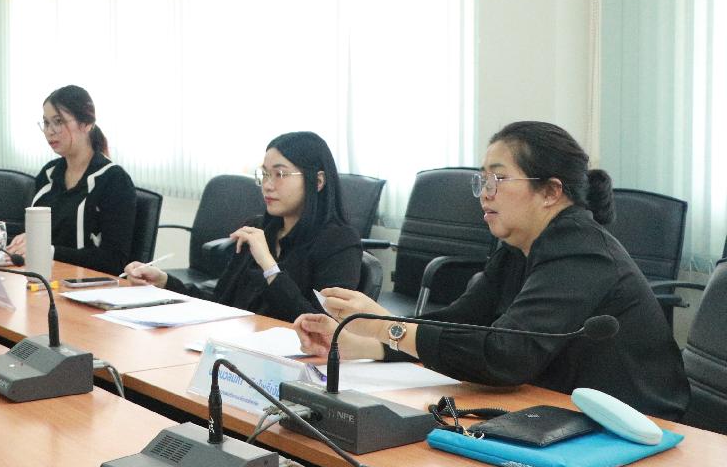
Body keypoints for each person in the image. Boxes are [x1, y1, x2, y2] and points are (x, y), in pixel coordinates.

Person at [295, 121, 690, 420]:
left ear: (551, 192)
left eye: (498, 179)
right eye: (482, 179)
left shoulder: (582, 253)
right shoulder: (518, 246)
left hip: (632, 427)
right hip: (554, 409)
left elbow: (506, 356)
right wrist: (362, 343)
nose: (485, 193)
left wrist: (388, 328)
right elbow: (461, 321)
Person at [122, 132, 361, 321]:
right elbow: (220, 301)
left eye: (280, 174)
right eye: (264, 174)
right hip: (235, 346)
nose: (267, 185)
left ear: (317, 181)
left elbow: (321, 327)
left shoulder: (339, 242)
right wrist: (165, 282)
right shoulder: (258, 229)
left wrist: (269, 266)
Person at [7, 85, 136, 275]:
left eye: (58, 121)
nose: (49, 131)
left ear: (86, 124)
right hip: (48, 277)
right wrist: (26, 239)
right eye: (46, 123)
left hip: (89, 284)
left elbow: (114, 261)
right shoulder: (49, 174)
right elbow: (50, 235)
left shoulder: (114, 181)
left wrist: (49, 250)